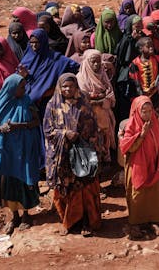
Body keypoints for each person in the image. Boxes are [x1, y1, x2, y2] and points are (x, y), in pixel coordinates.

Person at [43, 74, 103, 236]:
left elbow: (93, 126)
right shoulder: (52, 105)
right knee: (65, 188)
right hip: (62, 155)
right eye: (64, 86)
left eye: (71, 86)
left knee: (84, 186)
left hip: (82, 153)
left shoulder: (84, 103)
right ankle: (69, 222)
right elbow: (48, 131)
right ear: (59, 88)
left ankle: (86, 222)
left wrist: (85, 139)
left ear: (76, 87)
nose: (68, 89)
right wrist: (65, 133)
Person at [0, 74, 43, 235]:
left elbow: (37, 122)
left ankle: (26, 215)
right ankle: (14, 216)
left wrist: (21, 125)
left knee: (24, 180)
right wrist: (1, 128)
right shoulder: (0, 104)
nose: (24, 90)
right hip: (7, 151)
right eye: (21, 87)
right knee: (8, 182)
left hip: (24, 148)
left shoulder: (27, 101)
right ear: (11, 88)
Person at [120, 96, 159, 237]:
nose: (148, 114)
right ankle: (138, 222)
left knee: (155, 193)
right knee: (139, 192)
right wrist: (142, 134)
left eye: (150, 111)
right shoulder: (131, 125)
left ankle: (155, 219)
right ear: (137, 111)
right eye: (144, 111)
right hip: (138, 164)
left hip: (153, 162)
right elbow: (127, 147)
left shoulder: (154, 121)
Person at [20, 29, 79, 111]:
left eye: (37, 42)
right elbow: (19, 77)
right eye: (31, 42)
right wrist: (24, 76)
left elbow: (75, 66)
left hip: (47, 100)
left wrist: (57, 84)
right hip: (27, 100)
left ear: (43, 42)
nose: (34, 45)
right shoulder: (28, 57)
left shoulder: (55, 59)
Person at [77, 49, 117, 162]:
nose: (96, 64)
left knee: (105, 136)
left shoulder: (103, 75)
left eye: (98, 61)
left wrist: (102, 99)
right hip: (90, 117)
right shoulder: (81, 78)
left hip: (104, 114)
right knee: (93, 138)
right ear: (86, 62)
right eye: (93, 62)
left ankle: (106, 159)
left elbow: (110, 94)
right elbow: (83, 98)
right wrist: (99, 100)